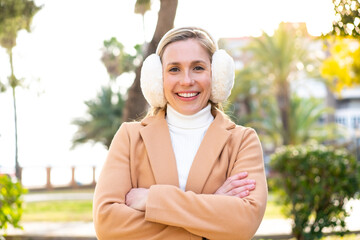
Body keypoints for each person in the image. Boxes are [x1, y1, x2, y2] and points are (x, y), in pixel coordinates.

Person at [93, 27, 268, 240]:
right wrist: (212, 211)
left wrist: (152, 200)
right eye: (174, 69)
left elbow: (243, 223)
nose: (186, 80)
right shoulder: (130, 137)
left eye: (198, 68)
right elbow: (107, 224)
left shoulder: (242, 141)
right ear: (157, 78)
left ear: (217, 75)